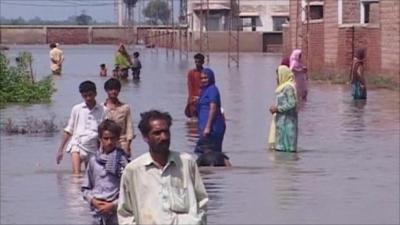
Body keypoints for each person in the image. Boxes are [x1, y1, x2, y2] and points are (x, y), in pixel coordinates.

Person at [117, 110, 208, 225]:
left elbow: (202, 202)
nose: (163, 137)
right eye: (157, 133)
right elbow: (125, 213)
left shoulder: (186, 163)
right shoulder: (133, 170)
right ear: (146, 137)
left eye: (166, 132)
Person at [82, 119, 129, 225]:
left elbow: (129, 191)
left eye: (112, 138)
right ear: (100, 139)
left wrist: (112, 205)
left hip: (116, 213)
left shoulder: (123, 162)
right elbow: (85, 189)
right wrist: (93, 201)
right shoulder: (93, 161)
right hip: (97, 212)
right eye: (106, 138)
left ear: (117, 139)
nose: (109, 142)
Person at [56, 81, 106, 174]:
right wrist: (60, 150)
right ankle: (75, 187)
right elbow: (69, 130)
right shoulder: (77, 109)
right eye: (85, 96)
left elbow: (104, 132)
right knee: (76, 174)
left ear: (95, 93)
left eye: (90, 95)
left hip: (93, 147)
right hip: (77, 144)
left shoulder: (103, 110)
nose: (88, 98)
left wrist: (104, 151)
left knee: (91, 175)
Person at [268, 65, 298, 152]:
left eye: (278, 75)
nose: (277, 78)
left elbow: (292, 103)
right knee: (280, 152)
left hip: (288, 124)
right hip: (281, 123)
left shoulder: (288, 88)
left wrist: (277, 109)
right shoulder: (282, 88)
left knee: (288, 150)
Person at [196, 68, 226, 153]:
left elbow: (213, 108)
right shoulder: (204, 91)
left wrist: (208, 127)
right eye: (201, 78)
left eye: (206, 78)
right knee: (207, 152)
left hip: (212, 127)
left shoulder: (213, 89)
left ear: (211, 78)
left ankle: (226, 166)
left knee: (207, 151)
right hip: (204, 127)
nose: (203, 80)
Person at [103, 78, 135, 158]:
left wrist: (128, 145)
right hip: (106, 142)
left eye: (116, 89)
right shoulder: (101, 107)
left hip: (121, 141)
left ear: (119, 90)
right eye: (111, 89)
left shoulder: (125, 108)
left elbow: (129, 128)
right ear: (106, 91)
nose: (113, 92)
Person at [185, 53, 205, 120]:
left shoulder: (206, 73)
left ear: (203, 62)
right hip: (193, 101)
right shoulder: (191, 73)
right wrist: (191, 100)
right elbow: (190, 87)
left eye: (199, 62)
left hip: (203, 100)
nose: (197, 64)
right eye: (196, 62)